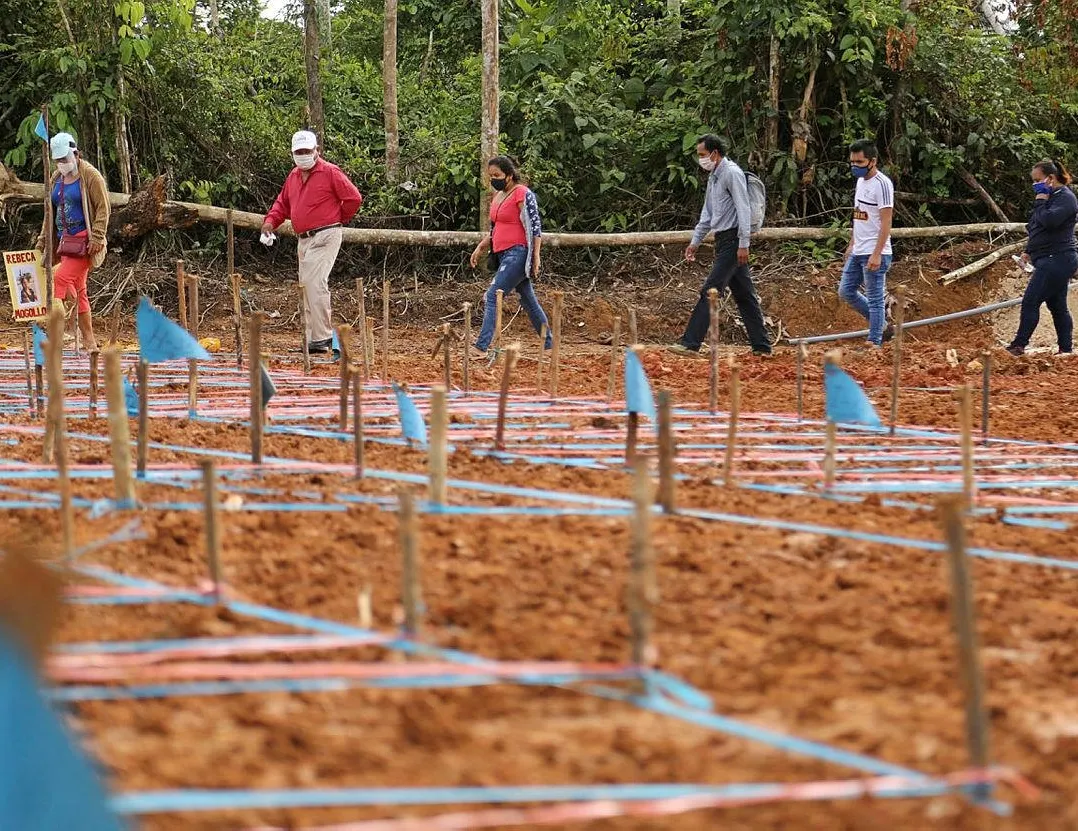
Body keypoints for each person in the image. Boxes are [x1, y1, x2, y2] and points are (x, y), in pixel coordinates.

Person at [668, 134, 771, 357]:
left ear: (715, 153)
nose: (701, 159)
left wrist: (744, 243)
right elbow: (708, 213)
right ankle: (762, 346)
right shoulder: (714, 176)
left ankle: (690, 343)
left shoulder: (732, 173)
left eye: (703, 155)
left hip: (733, 240)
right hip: (724, 239)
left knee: (711, 290)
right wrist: (695, 241)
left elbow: (743, 209)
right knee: (744, 295)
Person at [261, 130, 363, 354]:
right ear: (293, 154)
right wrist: (270, 222)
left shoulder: (330, 172)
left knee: (315, 284)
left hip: (326, 234)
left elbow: (353, 198)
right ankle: (313, 338)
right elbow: (282, 204)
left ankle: (322, 338)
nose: (303, 155)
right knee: (306, 286)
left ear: (317, 151)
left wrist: (338, 218)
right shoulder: (293, 176)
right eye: (299, 152)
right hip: (304, 239)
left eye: (307, 151)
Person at [468, 156, 552, 355]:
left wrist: (536, 256)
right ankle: (549, 343)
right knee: (528, 299)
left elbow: (534, 227)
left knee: (492, 296)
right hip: (503, 254)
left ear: (510, 175)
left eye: (497, 175)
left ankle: (481, 346)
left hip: (518, 252)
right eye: (491, 176)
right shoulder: (497, 198)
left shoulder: (522, 193)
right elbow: (496, 228)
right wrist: (481, 247)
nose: (493, 180)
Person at [35, 132, 109, 351]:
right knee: (80, 290)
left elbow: (104, 207)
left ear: (77, 154)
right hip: (64, 243)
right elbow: (50, 212)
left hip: (85, 242)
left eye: (65, 159)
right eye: (58, 161)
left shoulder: (90, 176)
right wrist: (43, 240)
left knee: (57, 279)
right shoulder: (56, 178)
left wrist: (97, 236)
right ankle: (89, 340)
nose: (62, 164)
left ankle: (58, 334)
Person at [1006, 159, 1078, 356]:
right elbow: (1037, 228)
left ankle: (1018, 345)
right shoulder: (1050, 197)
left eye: (1037, 180)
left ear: (1051, 178)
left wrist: (1040, 200)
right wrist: (1028, 251)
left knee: (1031, 300)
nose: (1034, 185)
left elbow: (1049, 221)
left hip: (1058, 258)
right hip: (1049, 258)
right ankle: (1066, 349)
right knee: (1057, 305)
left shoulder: (1065, 198)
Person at [839, 139, 895, 347]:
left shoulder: (883, 184)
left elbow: (886, 220)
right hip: (859, 249)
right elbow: (859, 215)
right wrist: (852, 243)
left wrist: (877, 253)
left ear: (873, 161)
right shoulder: (860, 182)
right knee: (846, 291)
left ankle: (875, 341)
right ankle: (880, 326)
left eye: (859, 162)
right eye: (852, 162)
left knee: (875, 300)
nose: (855, 166)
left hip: (874, 250)